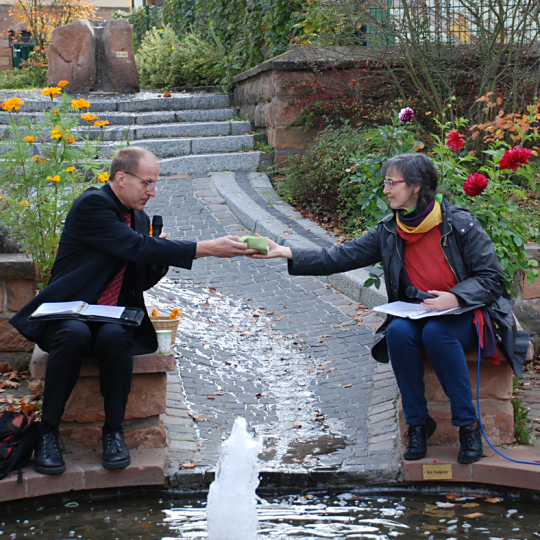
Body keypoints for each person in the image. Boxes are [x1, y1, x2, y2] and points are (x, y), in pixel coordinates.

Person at [249, 153, 530, 464]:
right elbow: (338, 257)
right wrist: (285, 251)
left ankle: (468, 426)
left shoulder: (459, 224)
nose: (385, 190)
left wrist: (457, 297)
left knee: (438, 334)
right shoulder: (389, 230)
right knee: (396, 332)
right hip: (416, 311)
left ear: (415, 186)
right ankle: (418, 423)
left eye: (390, 183)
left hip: (462, 314)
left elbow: (492, 278)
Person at [10, 146, 257, 475]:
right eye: (147, 183)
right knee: (73, 333)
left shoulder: (138, 219)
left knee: (115, 336)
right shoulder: (93, 204)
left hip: (110, 316)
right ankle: (48, 433)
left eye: (155, 184)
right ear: (121, 178)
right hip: (67, 312)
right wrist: (206, 248)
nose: (152, 192)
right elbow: (133, 246)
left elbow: (137, 276)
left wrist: (158, 256)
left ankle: (114, 432)